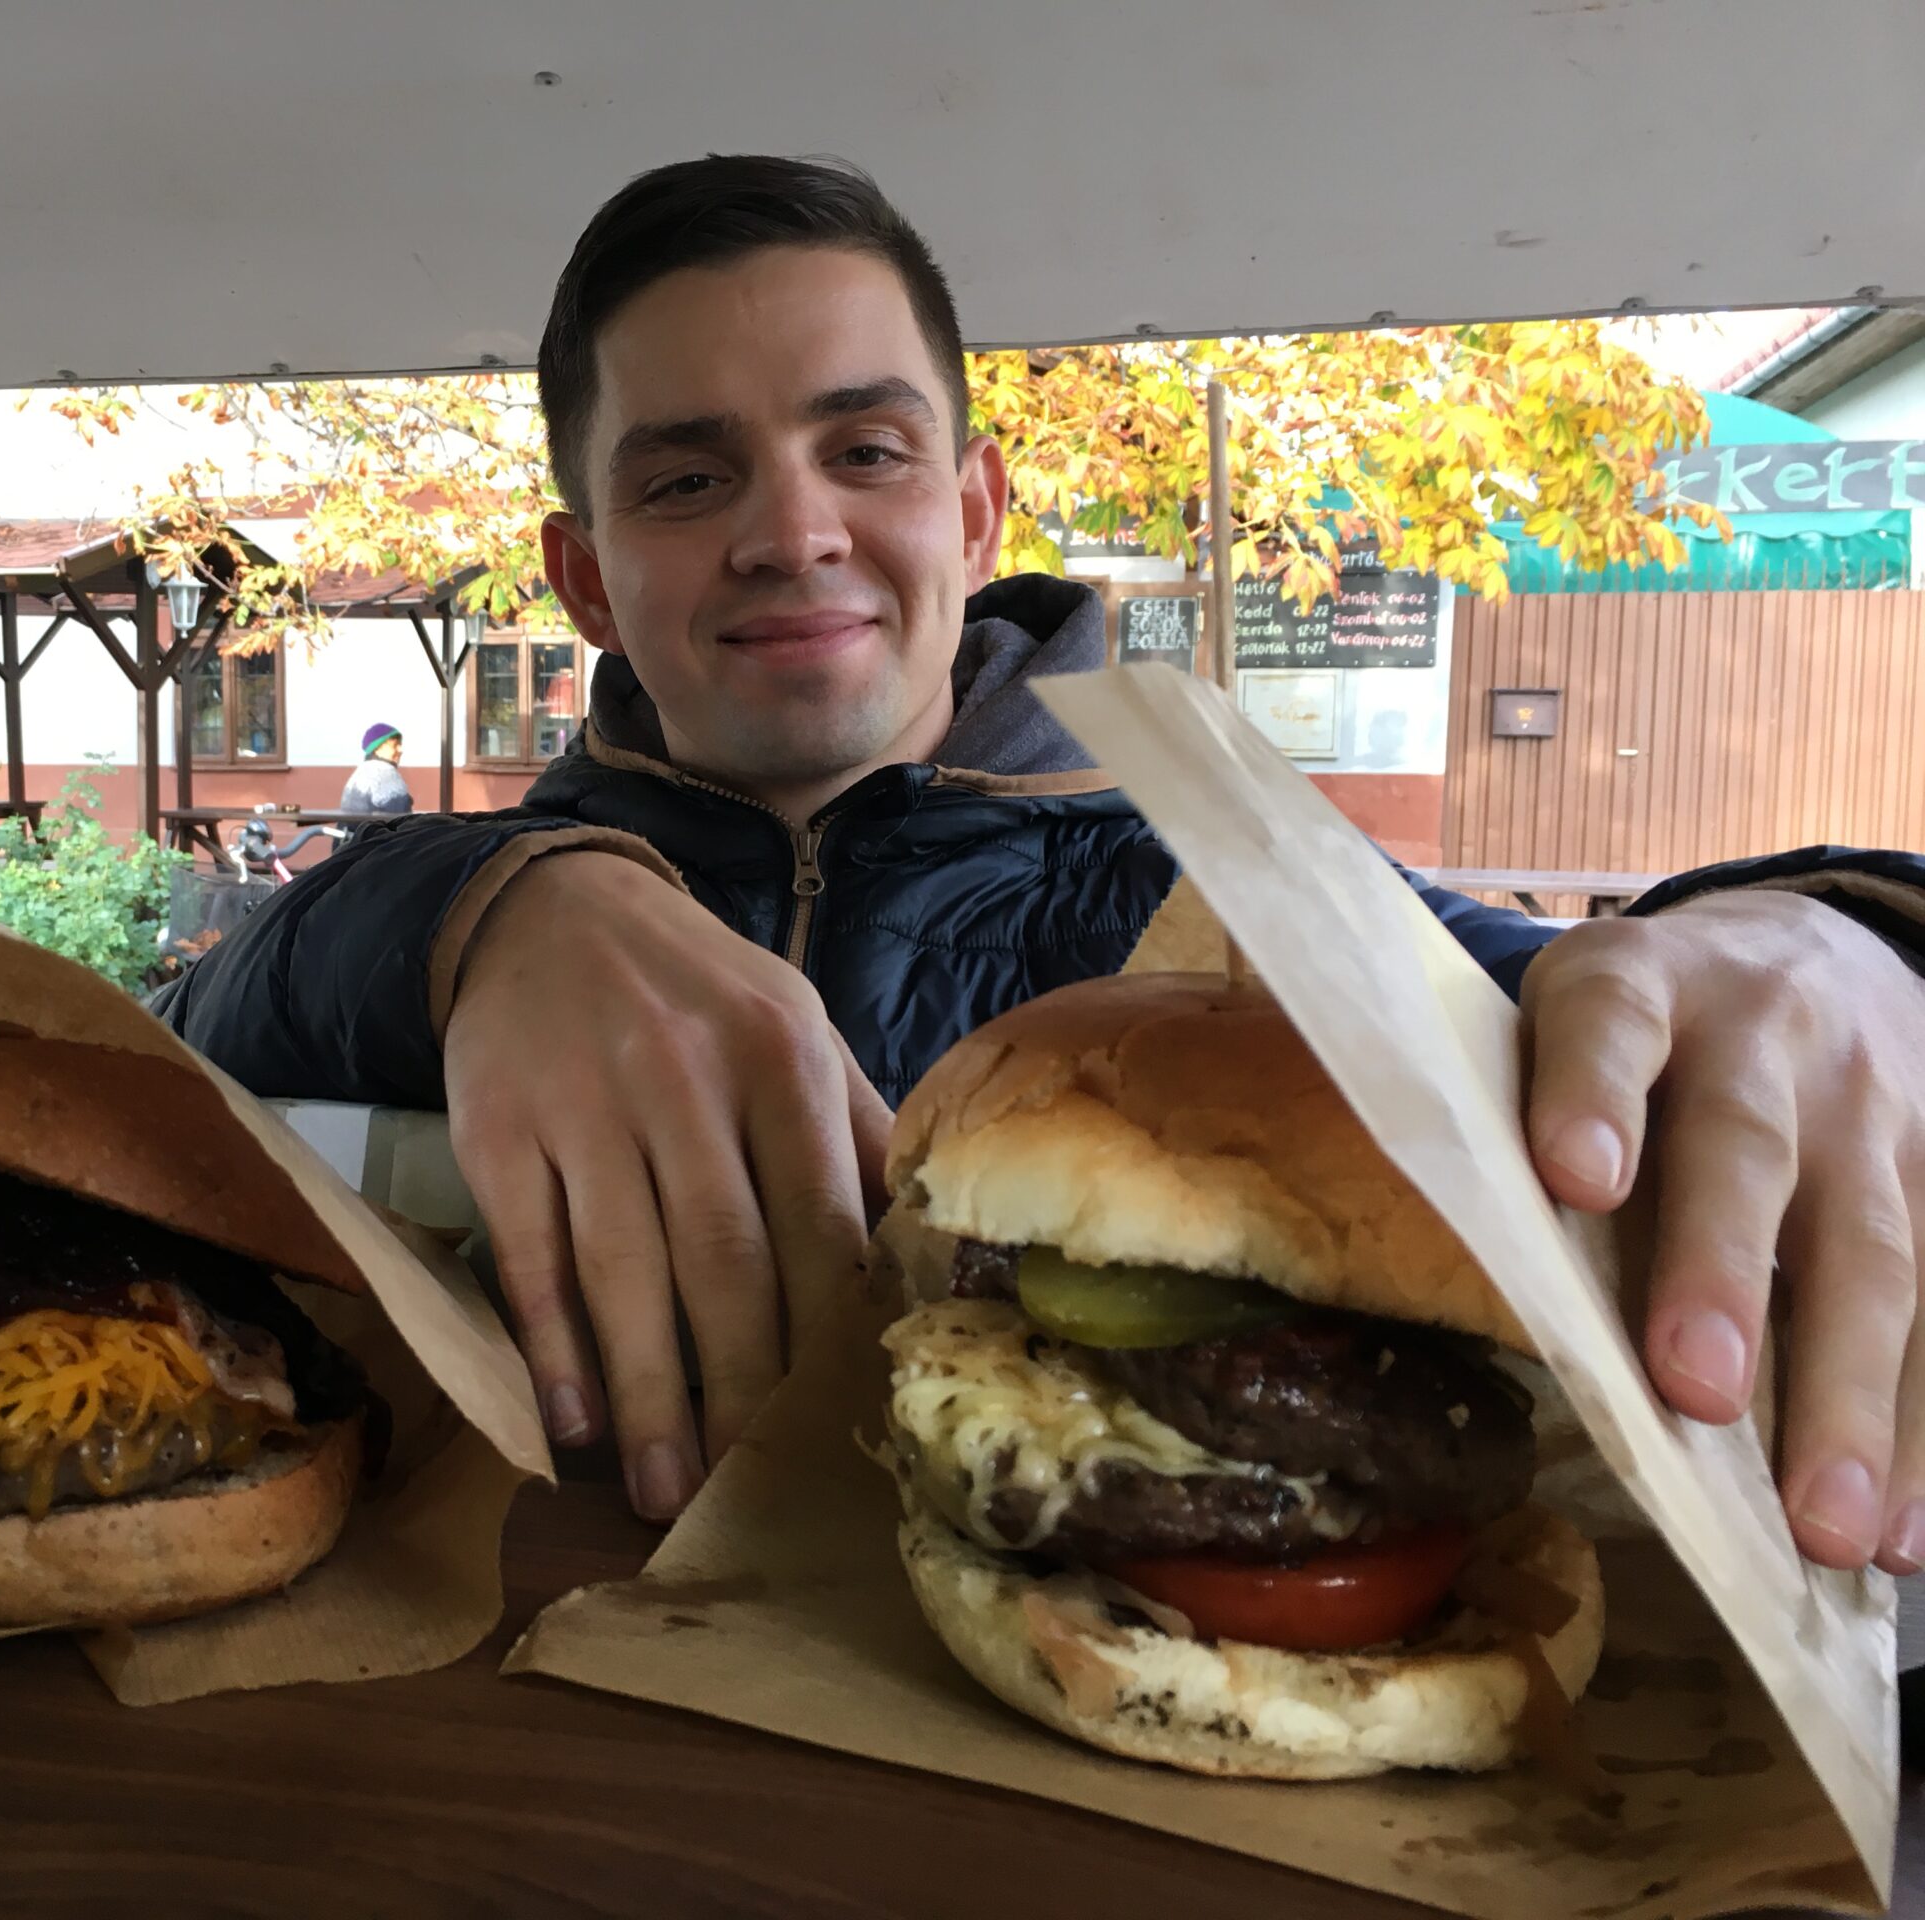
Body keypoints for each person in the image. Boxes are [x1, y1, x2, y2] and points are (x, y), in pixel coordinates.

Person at [162, 155, 1925, 1576]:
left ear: (974, 511)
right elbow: (165, 1038)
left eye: (865, 452)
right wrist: (475, 910)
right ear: (588, 581)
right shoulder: (469, 907)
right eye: (689, 481)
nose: (794, 531)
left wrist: (1840, 939)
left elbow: (1591, 1019)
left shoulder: (1207, 885)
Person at [339, 723, 412, 817]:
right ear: (377, 749)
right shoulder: (386, 773)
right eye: (395, 745)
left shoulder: (361, 772)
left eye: (400, 744)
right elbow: (401, 812)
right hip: (373, 826)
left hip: (353, 826)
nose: (400, 750)